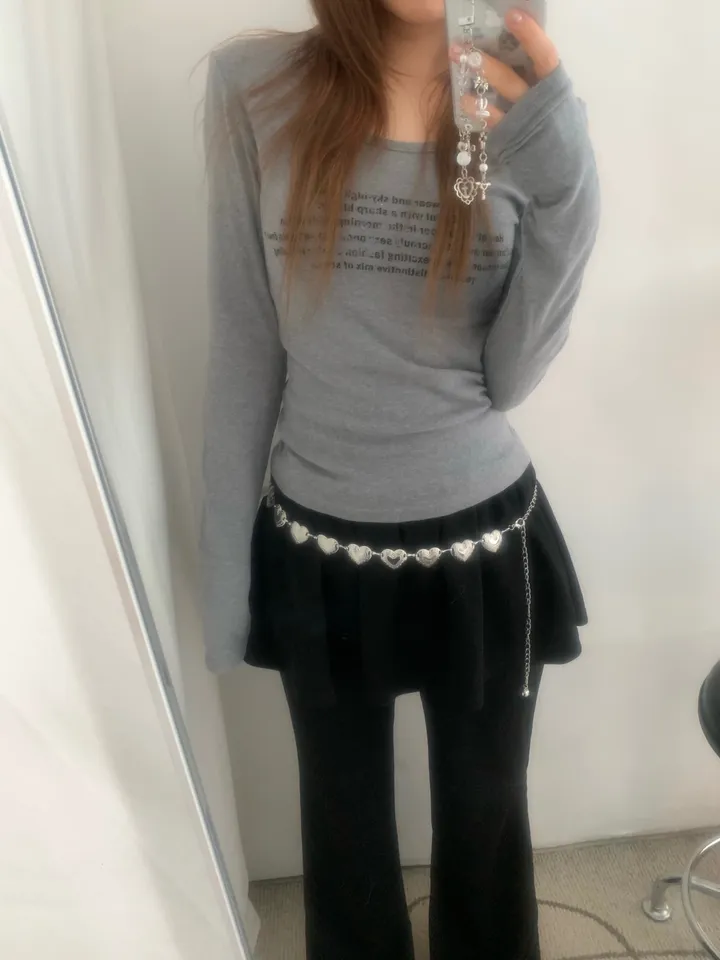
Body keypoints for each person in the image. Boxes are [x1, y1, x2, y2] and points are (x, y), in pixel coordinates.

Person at [201, 1, 599, 957]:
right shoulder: (255, 88)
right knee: (343, 841)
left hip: (484, 545)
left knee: (486, 822)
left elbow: (508, 378)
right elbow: (246, 341)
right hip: (316, 549)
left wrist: (568, 188)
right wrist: (222, 571)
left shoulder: (514, 102)